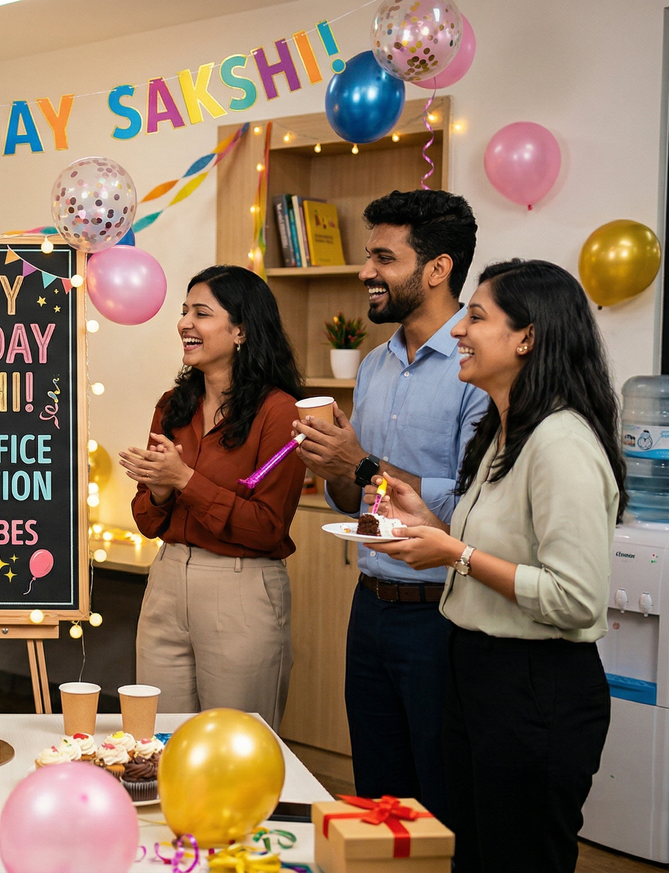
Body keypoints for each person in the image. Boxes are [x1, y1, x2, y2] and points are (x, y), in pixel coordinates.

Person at [366, 259, 623, 872]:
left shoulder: (561, 442)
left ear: (526, 338)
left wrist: (455, 553)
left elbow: (575, 599)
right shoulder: (503, 432)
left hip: (535, 684)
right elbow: (501, 548)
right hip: (475, 671)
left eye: (476, 317)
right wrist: (434, 527)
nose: (458, 329)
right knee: (474, 854)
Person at [293, 189, 488, 820]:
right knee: (376, 798)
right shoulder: (374, 364)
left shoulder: (476, 365)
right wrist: (334, 465)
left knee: (440, 799)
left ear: (437, 269)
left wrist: (362, 464)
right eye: (367, 255)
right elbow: (353, 497)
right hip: (371, 607)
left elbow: (474, 502)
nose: (365, 272)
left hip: (443, 615)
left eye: (384, 258)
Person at [120, 265, 306, 729]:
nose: (184, 323)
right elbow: (147, 522)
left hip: (241, 588)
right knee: (159, 740)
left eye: (201, 314)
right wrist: (160, 491)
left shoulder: (280, 412)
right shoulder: (172, 405)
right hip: (166, 581)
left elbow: (267, 528)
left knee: (233, 745)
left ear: (241, 330)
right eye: (184, 311)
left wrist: (185, 480)